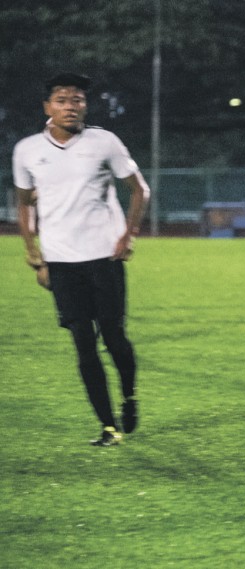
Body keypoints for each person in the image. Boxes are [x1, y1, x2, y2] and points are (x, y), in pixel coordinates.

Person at [14, 72, 151, 447]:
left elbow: (139, 189)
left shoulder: (104, 141)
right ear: (48, 107)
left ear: (85, 106)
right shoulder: (27, 150)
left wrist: (130, 234)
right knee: (82, 343)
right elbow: (24, 204)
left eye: (77, 99)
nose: (70, 106)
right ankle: (108, 426)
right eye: (62, 99)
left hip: (104, 256)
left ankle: (129, 396)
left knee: (113, 336)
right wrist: (34, 254)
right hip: (61, 262)